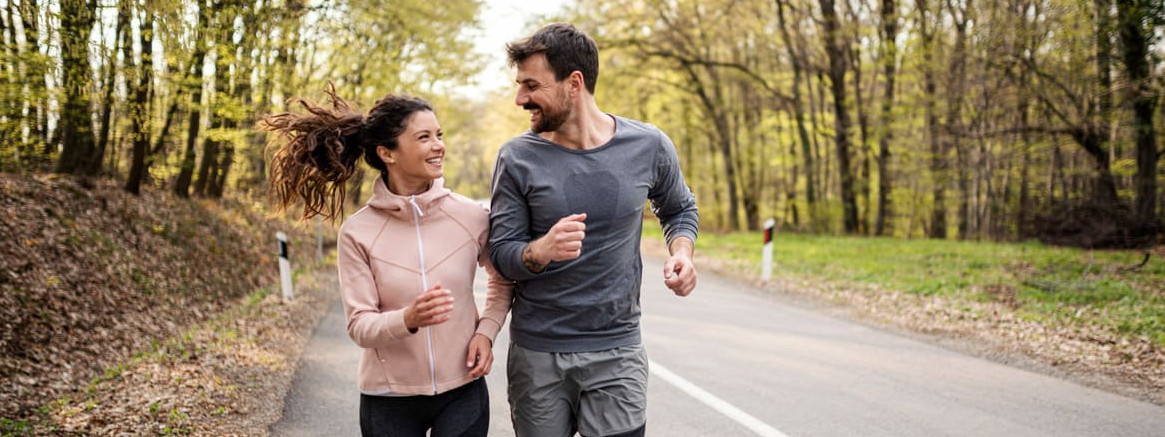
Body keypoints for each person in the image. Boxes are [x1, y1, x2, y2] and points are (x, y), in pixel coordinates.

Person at [488, 23, 699, 437]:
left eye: (531, 85)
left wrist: (682, 253)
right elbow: (501, 253)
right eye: (519, 85)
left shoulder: (648, 145)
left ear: (574, 83)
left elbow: (679, 208)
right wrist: (541, 250)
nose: (520, 98)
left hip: (617, 349)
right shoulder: (516, 158)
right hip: (538, 354)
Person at [263, 85, 511, 437]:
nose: (439, 145)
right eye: (424, 137)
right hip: (388, 398)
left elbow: (502, 282)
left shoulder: (470, 216)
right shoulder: (357, 232)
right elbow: (360, 325)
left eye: (439, 135)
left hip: (463, 388)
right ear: (387, 153)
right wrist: (408, 319)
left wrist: (485, 334)